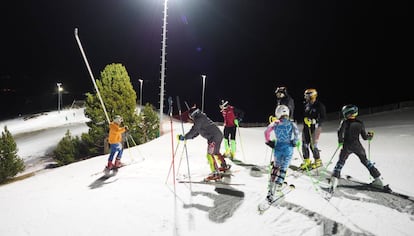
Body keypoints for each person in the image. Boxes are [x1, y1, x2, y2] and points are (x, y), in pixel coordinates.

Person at [330, 105, 390, 192]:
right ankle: (378, 179)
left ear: (348, 113)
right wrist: (370, 137)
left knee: (341, 162)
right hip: (357, 146)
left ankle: (334, 180)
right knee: (366, 161)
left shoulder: (344, 122)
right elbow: (365, 137)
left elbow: (339, 132)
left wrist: (340, 141)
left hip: (347, 146)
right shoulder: (360, 122)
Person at [178, 105, 230, 181]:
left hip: (214, 138)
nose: (191, 119)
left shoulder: (199, 119)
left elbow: (194, 130)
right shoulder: (201, 118)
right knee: (215, 152)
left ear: (193, 115)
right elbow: (196, 132)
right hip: (217, 136)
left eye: (190, 117)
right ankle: (224, 166)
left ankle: (215, 173)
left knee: (209, 155)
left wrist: (185, 137)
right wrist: (187, 137)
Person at [264, 105, 300, 202]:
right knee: (284, 167)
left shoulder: (275, 123)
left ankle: (271, 186)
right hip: (288, 148)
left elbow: (266, 132)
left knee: (276, 166)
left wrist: (268, 141)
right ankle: (278, 186)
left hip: (278, 147)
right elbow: (297, 133)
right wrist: (295, 142)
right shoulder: (291, 123)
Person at [300, 88, 327, 170]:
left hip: (316, 128)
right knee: (304, 144)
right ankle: (307, 161)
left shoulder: (319, 105)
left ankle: (318, 160)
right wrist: (304, 120)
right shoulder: (306, 105)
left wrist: (314, 121)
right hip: (306, 127)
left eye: (307, 95)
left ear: (312, 96)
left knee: (313, 145)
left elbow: (323, 117)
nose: (306, 97)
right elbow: (304, 115)